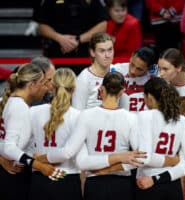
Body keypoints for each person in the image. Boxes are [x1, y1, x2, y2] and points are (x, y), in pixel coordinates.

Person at [36, 71, 146, 200]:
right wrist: (113, 167)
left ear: (101, 89)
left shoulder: (86, 115)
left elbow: (81, 162)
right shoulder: (132, 118)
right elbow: (142, 158)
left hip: (95, 183)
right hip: (122, 184)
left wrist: (39, 159)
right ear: (122, 91)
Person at [0, 63, 64, 200]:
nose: (46, 88)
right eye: (42, 82)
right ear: (31, 85)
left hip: (13, 172)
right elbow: (10, 147)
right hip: (13, 177)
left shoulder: (14, 102)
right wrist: (38, 165)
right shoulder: (19, 107)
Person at [28, 68, 82, 200]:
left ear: (52, 86)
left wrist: (38, 160)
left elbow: (23, 146)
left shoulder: (33, 111)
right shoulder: (79, 116)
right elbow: (72, 154)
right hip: (67, 177)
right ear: (74, 89)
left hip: (39, 176)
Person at [33, 0, 109, 59]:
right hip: (56, 51)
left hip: (87, 52)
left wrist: (78, 40)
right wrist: (60, 38)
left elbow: (103, 24)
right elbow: (42, 25)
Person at [72, 32, 114, 110]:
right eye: (102, 51)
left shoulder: (118, 71)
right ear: (92, 52)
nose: (107, 55)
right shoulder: (83, 79)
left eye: (110, 50)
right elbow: (77, 113)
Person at [113, 46, 158, 112]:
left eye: (139, 69)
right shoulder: (116, 70)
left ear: (149, 68)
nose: (133, 71)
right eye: (132, 64)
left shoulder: (155, 78)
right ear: (131, 56)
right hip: (121, 118)